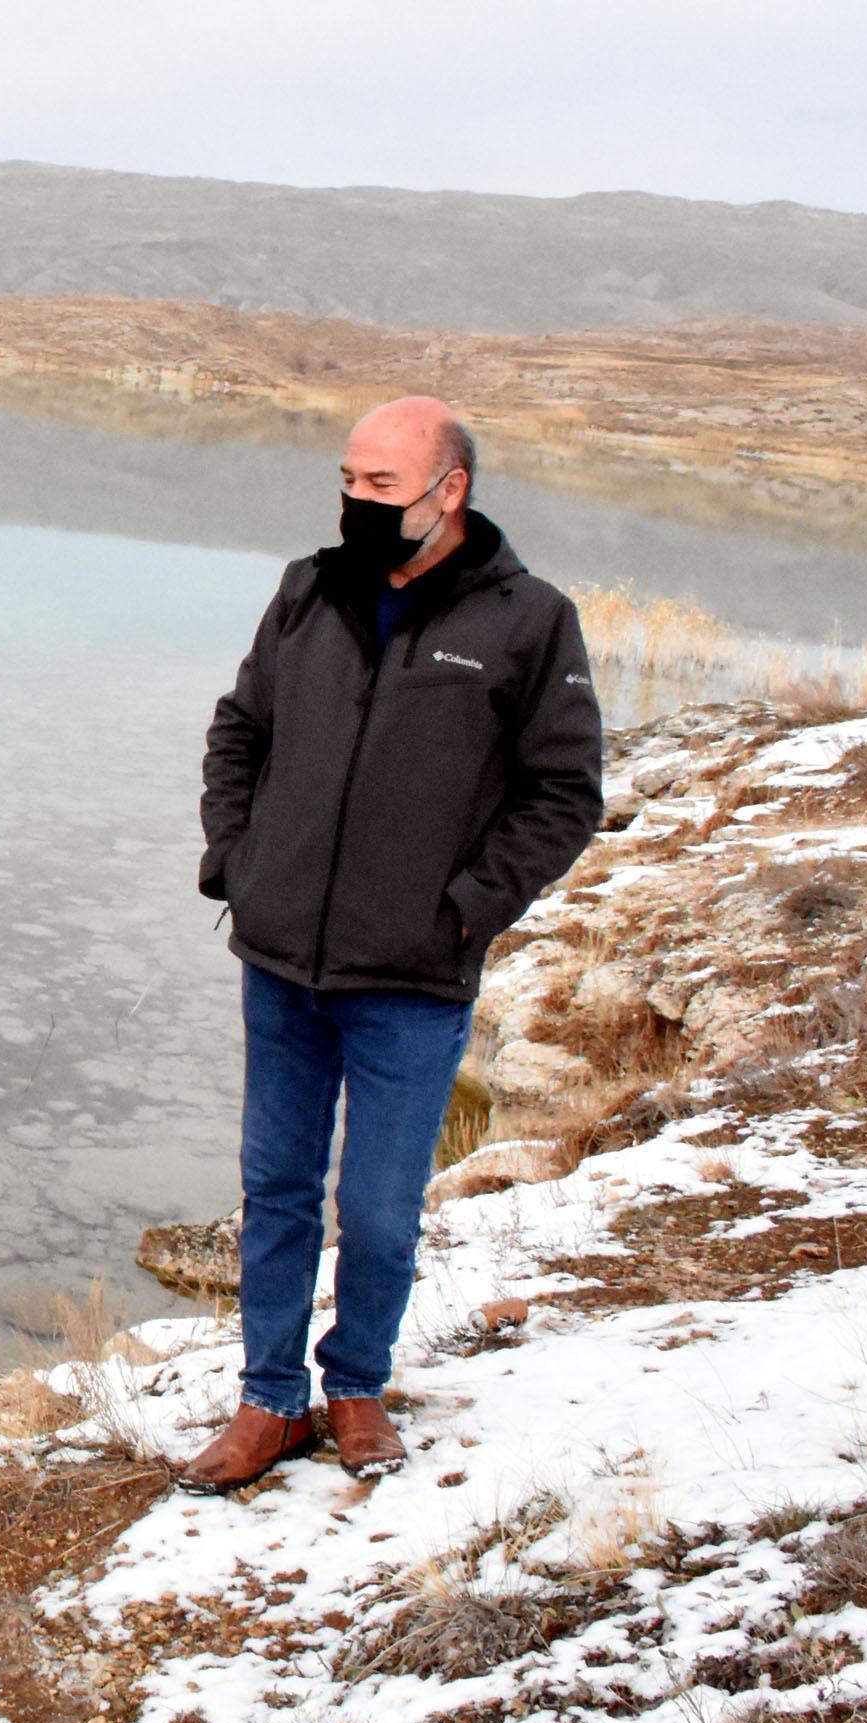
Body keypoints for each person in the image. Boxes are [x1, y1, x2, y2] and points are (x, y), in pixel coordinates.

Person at [179, 396, 603, 1494]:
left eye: (380, 487)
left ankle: (356, 1383)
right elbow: (241, 730)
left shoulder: (528, 621)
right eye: (349, 482)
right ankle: (269, 1403)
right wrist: (238, 858)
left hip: (413, 976)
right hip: (280, 960)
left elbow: (565, 794)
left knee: (374, 1206)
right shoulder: (308, 591)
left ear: (447, 490)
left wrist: (467, 908)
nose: (355, 503)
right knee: (274, 1189)